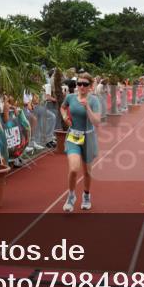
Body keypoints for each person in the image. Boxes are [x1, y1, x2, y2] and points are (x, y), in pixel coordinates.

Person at [60, 73, 101, 212]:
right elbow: (62, 107)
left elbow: (97, 122)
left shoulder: (94, 100)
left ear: (90, 86)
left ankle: (86, 196)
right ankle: (71, 196)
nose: (81, 87)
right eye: (79, 84)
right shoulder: (70, 97)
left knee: (87, 172)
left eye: (85, 84)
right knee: (73, 169)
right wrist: (65, 117)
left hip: (88, 138)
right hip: (73, 136)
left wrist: (87, 107)